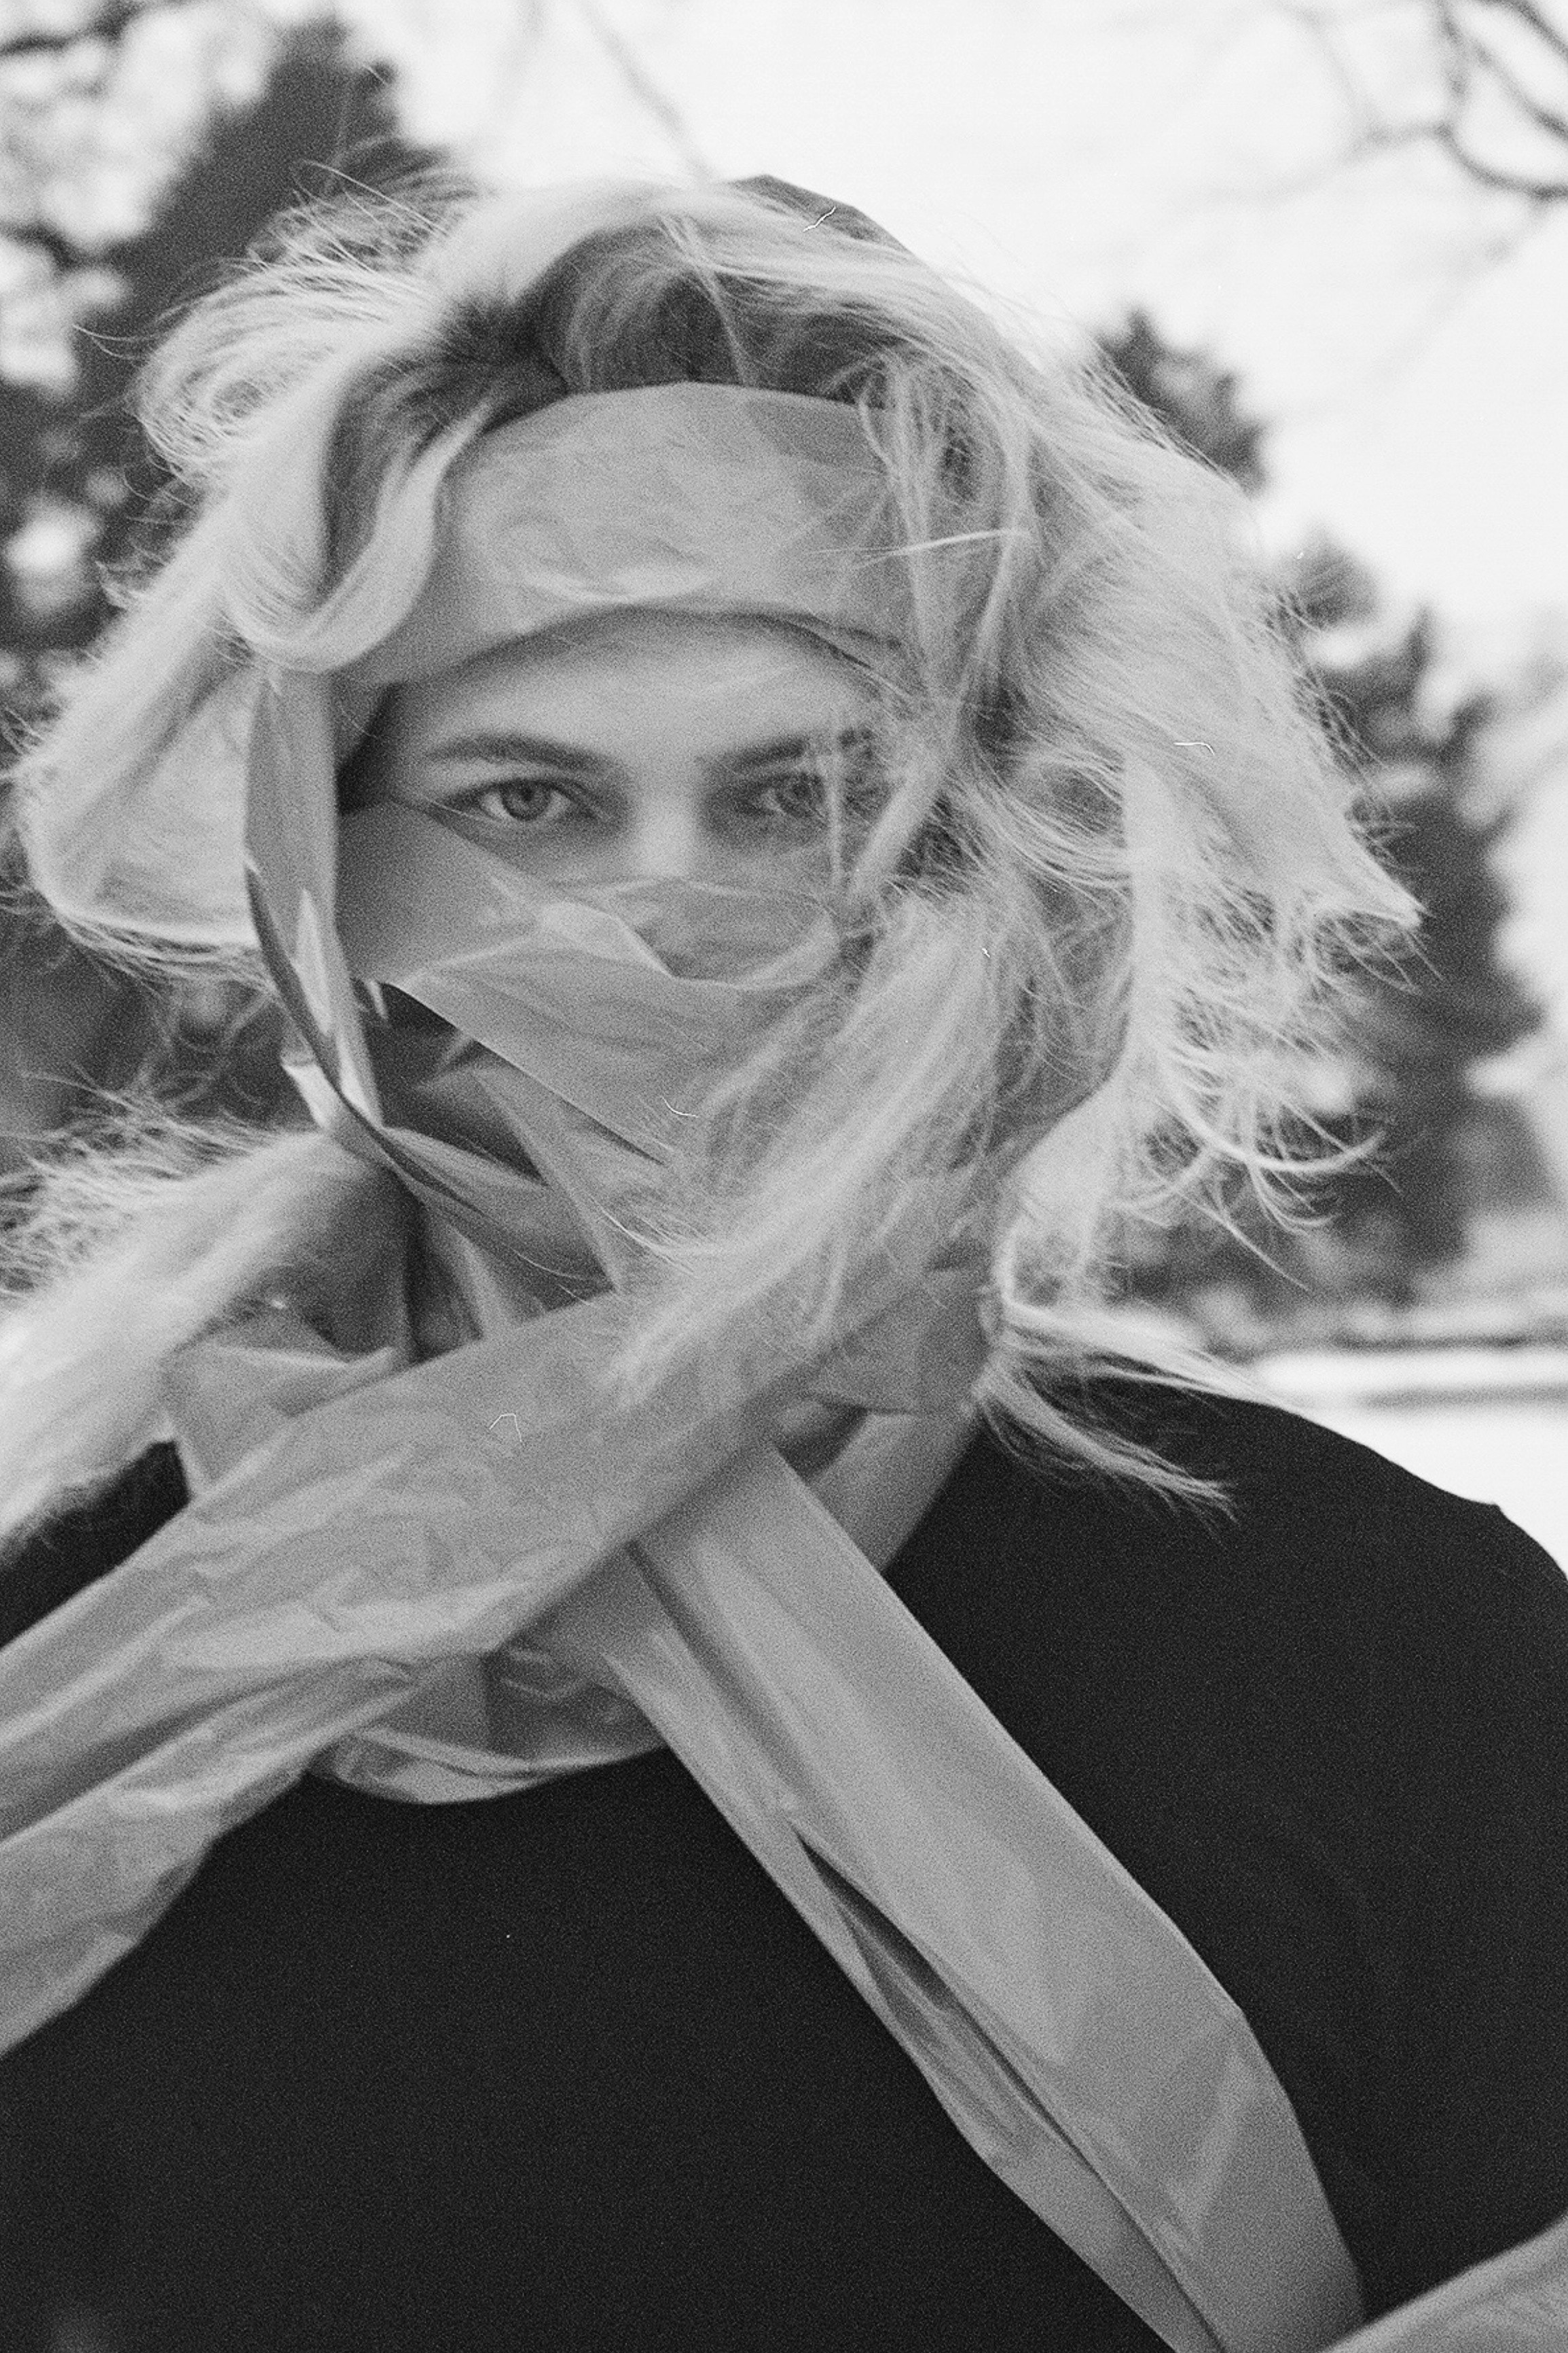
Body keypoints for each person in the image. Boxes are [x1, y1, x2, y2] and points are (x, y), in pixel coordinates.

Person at [0, 172, 1564, 2353]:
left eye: (799, 800)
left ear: (995, 873)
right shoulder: (67, 1680)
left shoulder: (1388, 1652)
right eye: (527, 805)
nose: (663, 930)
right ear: (326, 887)